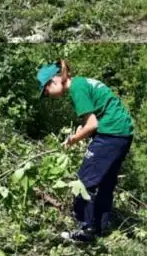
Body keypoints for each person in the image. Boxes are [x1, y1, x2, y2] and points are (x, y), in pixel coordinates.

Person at [37, 60, 134, 243]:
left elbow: (92, 125)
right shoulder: (82, 83)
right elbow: (93, 118)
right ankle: (100, 228)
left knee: (84, 180)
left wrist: (73, 139)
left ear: (55, 80)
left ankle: (86, 229)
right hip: (123, 134)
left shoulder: (76, 89)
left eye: (46, 90)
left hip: (110, 134)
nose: (48, 95)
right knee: (105, 182)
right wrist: (78, 134)